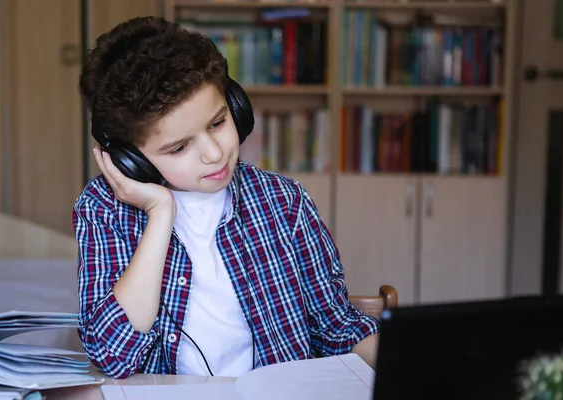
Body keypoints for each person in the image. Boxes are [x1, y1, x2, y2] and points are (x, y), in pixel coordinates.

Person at [73, 16, 380, 380]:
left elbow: (337, 331)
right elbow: (113, 357)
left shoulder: (284, 201)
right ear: (131, 159)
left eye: (218, 123)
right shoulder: (103, 210)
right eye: (179, 147)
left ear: (236, 106)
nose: (215, 154)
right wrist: (159, 214)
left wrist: (426, 357)